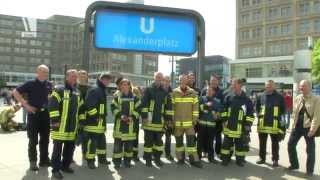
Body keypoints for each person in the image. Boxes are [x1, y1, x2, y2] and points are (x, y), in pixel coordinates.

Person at [13, 64, 52, 171]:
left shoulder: (49, 84)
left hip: (45, 115)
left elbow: (51, 97)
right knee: (33, 140)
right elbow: (15, 92)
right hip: (34, 114)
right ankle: (33, 162)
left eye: (46, 72)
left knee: (45, 140)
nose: (45, 74)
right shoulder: (30, 83)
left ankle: (44, 160)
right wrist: (26, 105)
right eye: (43, 71)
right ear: (37, 72)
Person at [48, 69, 83, 179]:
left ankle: (65, 166)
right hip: (60, 127)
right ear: (67, 77)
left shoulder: (78, 92)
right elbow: (53, 106)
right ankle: (55, 170)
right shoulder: (59, 90)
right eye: (72, 76)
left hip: (72, 127)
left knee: (70, 148)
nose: (74, 78)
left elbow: (81, 109)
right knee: (57, 150)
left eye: (75, 76)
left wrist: (81, 122)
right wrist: (54, 121)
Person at [287, 80, 320, 177]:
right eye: (300, 86)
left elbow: (317, 116)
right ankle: (294, 164)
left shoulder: (316, 99)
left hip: (308, 127)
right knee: (290, 145)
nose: (301, 88)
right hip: (297, 127)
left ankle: (309, 171)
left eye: (303, 86)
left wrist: (312, 130)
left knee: (310, 150)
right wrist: (291, 126)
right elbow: (294, 114)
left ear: (309, 87)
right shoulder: (298, 98)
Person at [141, 72, 173, 167]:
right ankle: (148, 160)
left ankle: (157, 159)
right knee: (148, 142)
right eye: (157, 77)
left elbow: (168, 107)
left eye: (160, 78)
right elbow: (144, 104)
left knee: (159, 143)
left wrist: (168, 120)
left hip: (160, 122)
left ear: (162, 79)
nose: (159, 79)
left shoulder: (165, 92)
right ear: (154, 78)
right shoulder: (148, 89)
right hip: (149, 122)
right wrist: (144, 117)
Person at [220, 78, 254, 167]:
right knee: (226, 145)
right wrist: (224, 120)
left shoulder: (246, 99)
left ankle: (240, 160)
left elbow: (250, 113)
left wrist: (248, 125)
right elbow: (223, 109)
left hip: (241, 128)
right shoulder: (228, 96)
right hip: (229, 126)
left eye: (234, 84)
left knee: (240, 145)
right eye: (232, 84)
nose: (232, 86)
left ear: (240, 85)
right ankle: (225, 159)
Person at [83, 72, 113, 169]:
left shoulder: (101, 89)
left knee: (101, 142)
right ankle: (90, 160)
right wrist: (95, 116)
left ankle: (102, 159)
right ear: (100, 79)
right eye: (105, 79)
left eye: (108, 79)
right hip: (93, 123)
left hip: (100, 123)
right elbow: (89, 105)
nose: (107, 81)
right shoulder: (95, 89)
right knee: (92, 143)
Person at [172, 74, 202, 168]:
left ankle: (194, 160)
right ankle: (180, 159)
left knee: (191, 144)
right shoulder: (174, 93)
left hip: (190, 124)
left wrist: (195, 119)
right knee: (179, 144)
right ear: (179, 81)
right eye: (182, 80)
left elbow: (196, 107)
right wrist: (172, 121)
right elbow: (172, 108)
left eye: (185, 80)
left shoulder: (193, 93)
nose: (183, 81)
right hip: (178, 124)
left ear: (187, 81)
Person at [111, 79, 141, 168]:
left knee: (129, 147)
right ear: (120, 86)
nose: (124, 86)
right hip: (119, 126)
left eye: (126, 84)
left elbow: (139, 109)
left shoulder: (135, 97)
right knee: (117, 147)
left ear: (129, 86)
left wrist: (132, 117)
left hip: (131, 126)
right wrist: (121, 116)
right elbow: (113, 108)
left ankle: (127, 161)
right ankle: (117, 162)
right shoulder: (117, 97)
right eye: (122, 85)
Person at [255, 80, 286, 167]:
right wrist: (259, 115)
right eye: (267, 86)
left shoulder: (280, 97)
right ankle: (262, 158)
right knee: (262, 142)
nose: (268, 87)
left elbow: (283, 110)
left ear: (274, 86)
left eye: (270, 86)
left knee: (275, 143)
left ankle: (275, 160)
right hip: (262, 124)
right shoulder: (260, 96)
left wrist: (282, 124)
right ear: (265, 86)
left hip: (275, 125)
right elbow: (257, 107)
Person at [201, 74, 225, 158]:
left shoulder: (222, 91)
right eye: (212, 81)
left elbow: (223, 105)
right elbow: (201, 102)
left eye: (215, 81)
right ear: (210, 81)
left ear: (218, 82)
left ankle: (218, 152)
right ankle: (205, 151)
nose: (214, 82)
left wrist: (219, 114)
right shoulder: (204, 90)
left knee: (218, 137)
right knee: (206, 137)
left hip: (217, 119)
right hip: (206, 118)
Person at [197, 87, 222, 163]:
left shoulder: (217, 101)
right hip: (202, 124)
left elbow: (218, 113)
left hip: (211, 125)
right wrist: (207, 106)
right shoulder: (201, 99)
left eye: (210, 91)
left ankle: (211, 158)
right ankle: (198, 157)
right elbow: (198, 108)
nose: (209, 92)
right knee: (199, 142)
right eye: (207, 90)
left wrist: (217, 115)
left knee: (210, 142)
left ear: (213, 92)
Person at [75, 70, 91, 159]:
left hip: (87, 114)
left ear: (87, 77)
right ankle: (69, 155)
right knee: (73, 135)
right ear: (78, 76)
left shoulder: (90, 88)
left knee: (86, 135)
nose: (83, 76)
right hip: (75, 114)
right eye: (81, 75)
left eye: (84, 75)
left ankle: (84, 153)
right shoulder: (74, 87)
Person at [162, 75, 174, 161]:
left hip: (169, 120)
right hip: (159, 119)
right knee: (157, 137)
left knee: (168, 138)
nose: (167, 82)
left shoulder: (172, 93)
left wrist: (171, 120)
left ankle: (168, 154)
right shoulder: (159, 91)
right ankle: (155, 155)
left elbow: (174, 107)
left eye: (168, 81)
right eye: (165, 81)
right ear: (163, 81)